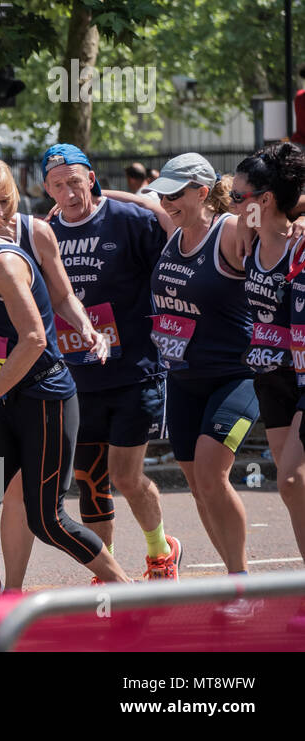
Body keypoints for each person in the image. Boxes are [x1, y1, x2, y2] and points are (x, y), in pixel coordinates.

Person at [0, 183, 131, 583]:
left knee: (47, 519)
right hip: (0, 396)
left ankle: (124, 587)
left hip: (41, 397)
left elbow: (34, 339)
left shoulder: (3, 264)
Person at [38, 145, 180, 583]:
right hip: (77, 376)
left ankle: (161, 552)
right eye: (58, 185)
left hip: (134, 370)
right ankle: (110, 568)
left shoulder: (129, 221)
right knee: (89, 478)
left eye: (76, 181)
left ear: (92, 178)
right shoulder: (45, 234)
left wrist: (129, 195)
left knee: (126, 474)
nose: (68, 192)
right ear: (46, 188)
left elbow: (177, 232)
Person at [142, 155, 258, 575]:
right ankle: (233, 579)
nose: (166, 201)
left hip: (236, 376)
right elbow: (143, 204)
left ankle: (242, 578)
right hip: (184, 378)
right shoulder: (176, 229)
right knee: (198, 488)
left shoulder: (229, 231)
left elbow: (279, 229)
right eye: (163, 194)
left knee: (211, 477)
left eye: (175, 193)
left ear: (202, 192)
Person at [229, 145, 305, 565]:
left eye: (238, 197)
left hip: (301, 375)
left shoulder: (300, 245)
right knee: (294, 488)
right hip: (270, 377)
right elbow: (159, 206)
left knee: (292, 480)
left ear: (265, 199)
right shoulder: (250, 237)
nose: (231, 204)